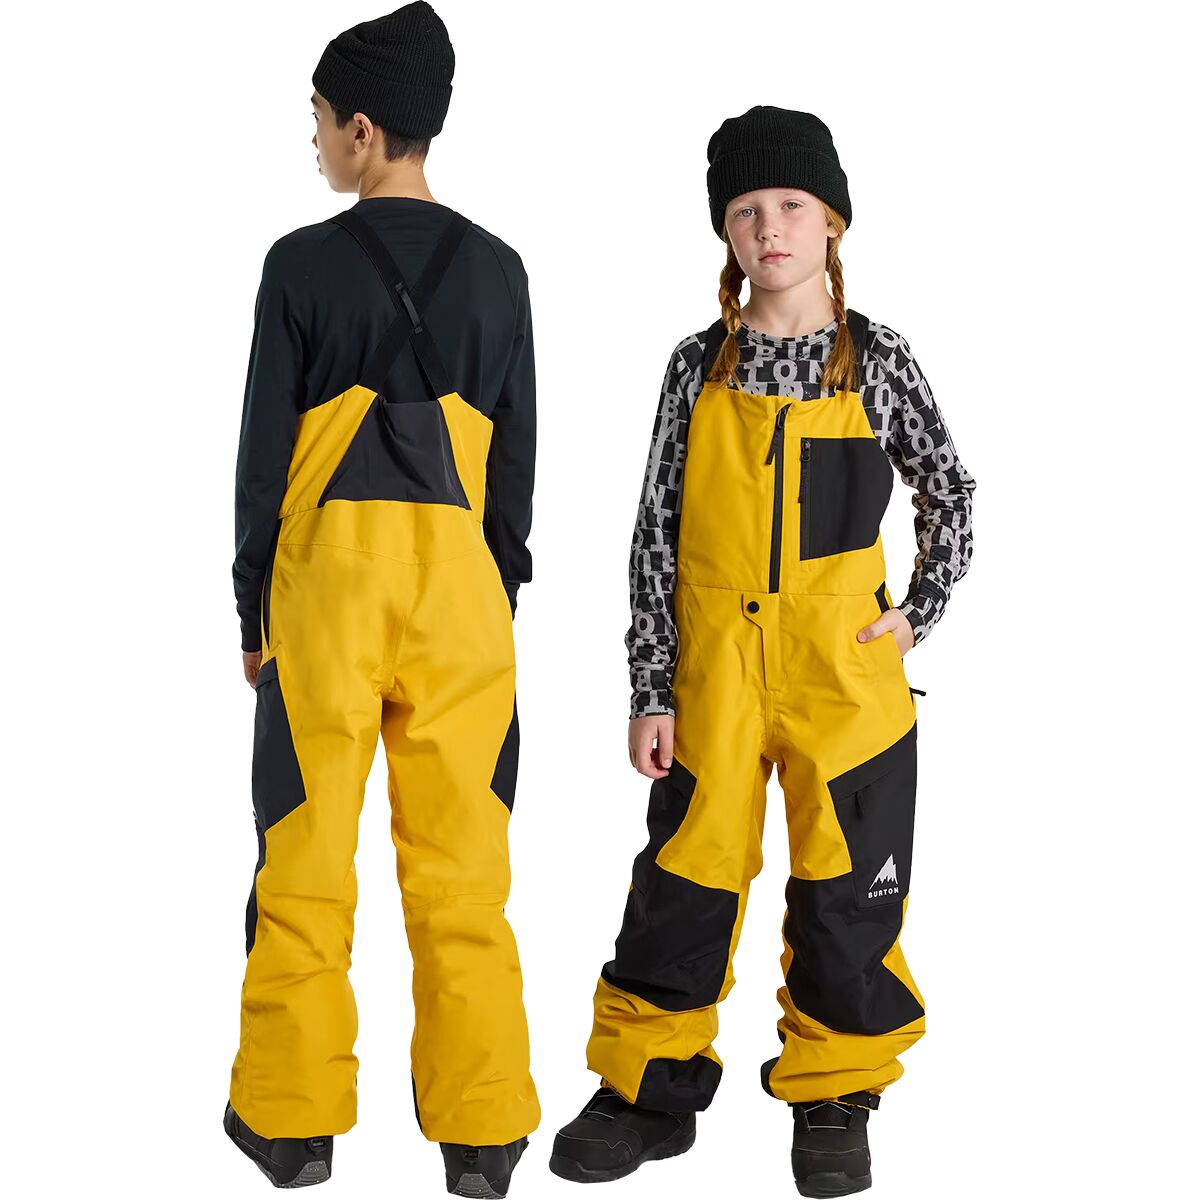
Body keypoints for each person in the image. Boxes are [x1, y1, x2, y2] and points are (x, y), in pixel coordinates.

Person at [549, 107, 976, 1197]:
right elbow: (654, 532)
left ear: (833, 222)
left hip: (845, 677)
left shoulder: (879, 360)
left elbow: (951, 493)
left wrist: (917, 611)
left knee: (847, 893)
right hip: (714, 676)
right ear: (726, 233)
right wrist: (650, 687)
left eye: (790, 205)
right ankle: (646, 1088)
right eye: (745, 211)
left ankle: (836, 1088)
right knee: (682, 883)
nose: (768, 228)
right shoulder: (698, 365)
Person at [222, 4, 539, 1193]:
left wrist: (253, 612)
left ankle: (292, 1124)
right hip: (464, 608)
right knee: (465, 874)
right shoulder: (500, 271)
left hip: (330, 606)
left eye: (317, 120)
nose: (312, 141)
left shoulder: (299, 266)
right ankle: (483, 1133)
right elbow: (515, 472)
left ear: (364, 129)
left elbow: (262, 464)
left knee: (304, 860)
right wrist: (492, 602)